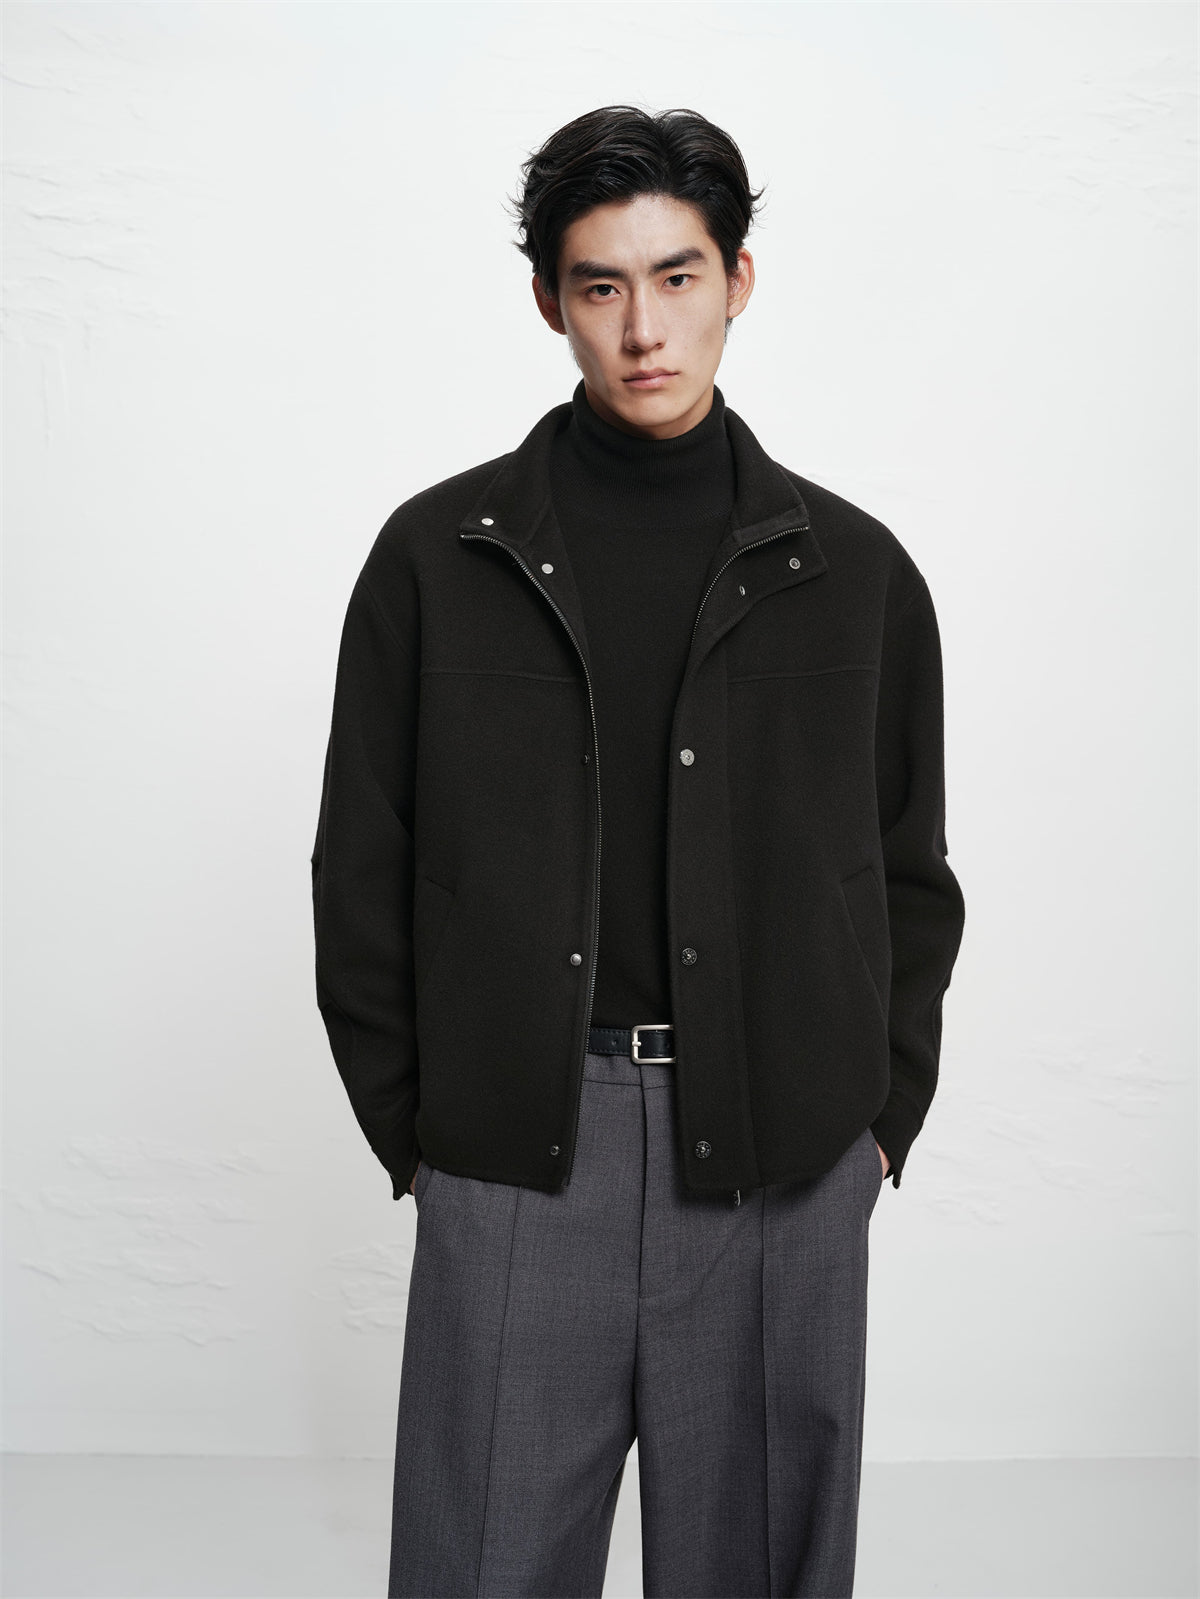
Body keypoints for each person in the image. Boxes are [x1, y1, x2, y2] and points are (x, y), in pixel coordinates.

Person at [310, 103, 966, 1599]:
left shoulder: (856, 573)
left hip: (785, 1150)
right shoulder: (436, 559)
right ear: (549, 301)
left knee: (759, 1570)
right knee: (481, 1565)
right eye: (601, 286)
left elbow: (907, 867)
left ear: (741, 279)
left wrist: (879, 1114)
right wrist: (423, 1126)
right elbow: (362, 862)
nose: (644, 329)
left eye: (678, 278)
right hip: (518, 1147)